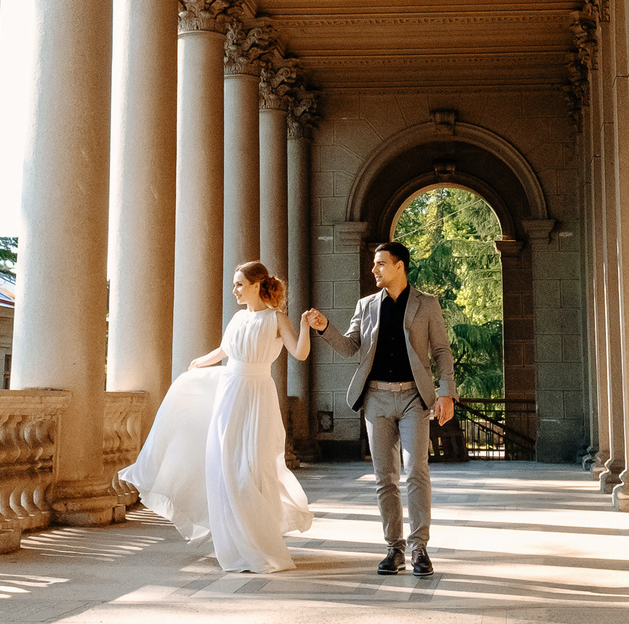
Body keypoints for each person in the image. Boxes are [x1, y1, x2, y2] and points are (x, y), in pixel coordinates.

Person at [119, 261, 313, 573]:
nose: (234, 290)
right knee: (224, 464)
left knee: (252, 467)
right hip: (230, 393)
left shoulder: (277, 319)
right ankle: (236, 542)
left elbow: (300, 353)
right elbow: (224, 351)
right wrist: (198, 364)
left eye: (239, 284)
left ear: (256, 285)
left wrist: (304, 326)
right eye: (235, 284)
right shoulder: (237, 318)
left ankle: (260, 541)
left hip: (257, 395)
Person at [306, 240, 455, 577]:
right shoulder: (367, 305)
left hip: (414, 399)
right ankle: (394, 549)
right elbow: (349, 347)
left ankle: (420, 550)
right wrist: (324, 328)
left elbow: (442, 352)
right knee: (384, 478)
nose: (374, 269)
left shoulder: (426, 304)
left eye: (380, 263)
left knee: (416, 471)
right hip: (376, 399)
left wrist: (447, 394)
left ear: (399, 265)